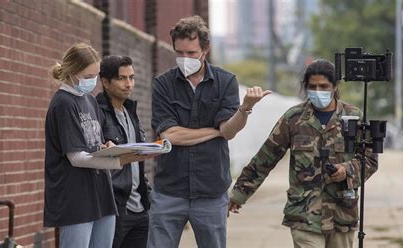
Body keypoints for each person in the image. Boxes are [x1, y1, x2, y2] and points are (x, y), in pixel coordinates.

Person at [228, 59, 379, 248]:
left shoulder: (354, 117)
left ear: (335, 86)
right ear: (306, 87)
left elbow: (370, 160)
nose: (318, 91)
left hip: (341, 215)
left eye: (323, 86)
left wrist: (347, 170)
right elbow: (265, 158)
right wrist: (239, 194)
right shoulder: (293, 118)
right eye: (313, 86)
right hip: (303, 215)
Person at [149, 16, 270, 248]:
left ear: (206, 50)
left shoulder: (225, 82)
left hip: (210, 191)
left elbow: (229, 130)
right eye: (179, 53)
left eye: (191, 53)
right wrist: (214, 132)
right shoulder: (163, 84)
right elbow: (169, 136)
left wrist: (245, 108)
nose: (185, 59)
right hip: (170, 190)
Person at [44, 43, 146, 248]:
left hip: (101, 195)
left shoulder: (89, 101)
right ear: (72, 72)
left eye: (95, 75)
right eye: (88, 75)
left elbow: (93, 144)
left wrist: (106, 147)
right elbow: (76, 157)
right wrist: (119, 160)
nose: (93, 81)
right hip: (75, 198)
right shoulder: (64, 103)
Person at [96, 55, 151, 248]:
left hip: (140, 208)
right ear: (105, 82)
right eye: (121, 78)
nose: (129, 84)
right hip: (115, 208)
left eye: (131, 77)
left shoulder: (130, 112)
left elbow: (137, 159)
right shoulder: (96, 113)